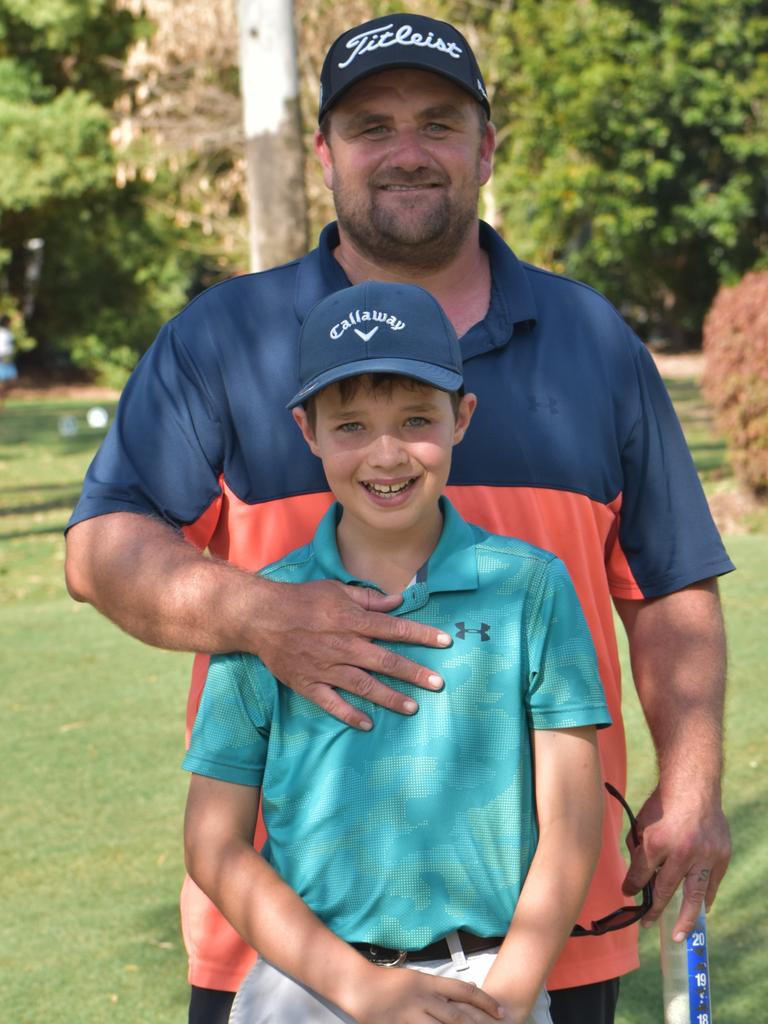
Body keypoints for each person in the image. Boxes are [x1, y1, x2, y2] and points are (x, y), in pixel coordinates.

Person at [64, 12, 734, 1024]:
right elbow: (101, 550)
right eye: (373, 126)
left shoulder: (592, 340)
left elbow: (671, 583)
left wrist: (690, 785)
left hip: (544, 942)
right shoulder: (223, 338)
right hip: (285, 954)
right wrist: (259, 617)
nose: (407, 151)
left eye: (439, 122)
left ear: (486, 147)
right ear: (325, 153)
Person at [183, 278, 612, 1024]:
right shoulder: (263, 611)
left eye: (416, 419)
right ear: (307, 430)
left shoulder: (530, 590)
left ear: (462, 417)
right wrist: (362, 991)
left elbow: (573, 825)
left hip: (489, 979)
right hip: (311, 983)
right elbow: (214, 844)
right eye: (350, 426)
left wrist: (507, 996)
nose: (386, 454)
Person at [0, 314, 18, 399]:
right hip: (3, 358)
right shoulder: (2, 333)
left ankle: (2, 402)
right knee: (3, 381)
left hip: (8, 358)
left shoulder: (8, 332)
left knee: (9, 380)